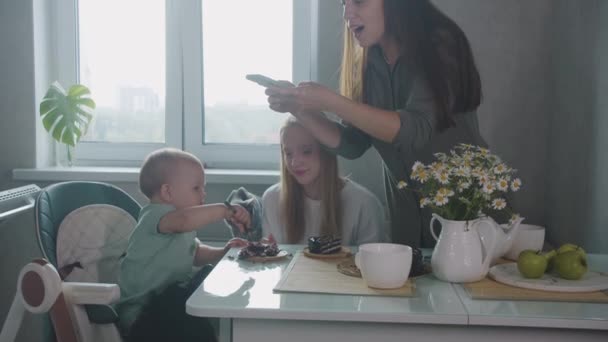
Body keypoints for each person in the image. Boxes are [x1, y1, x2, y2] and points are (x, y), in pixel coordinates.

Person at [265, 0, 486, 248]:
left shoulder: (441, 43)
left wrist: (332, 102)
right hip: (409, 225)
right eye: (343, 3)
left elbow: (416, 129)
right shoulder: (370, 63)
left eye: (359, 1)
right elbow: (353, 144)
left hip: (466, 219)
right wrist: (299, 108)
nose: (347, 13)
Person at [115, 148, 250, 342]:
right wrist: (223, 210)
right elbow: (185, 220)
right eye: (196, 188)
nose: (203, 193)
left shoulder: (179, 225)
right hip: (143, 314)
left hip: (171, 304)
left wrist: (222, 252)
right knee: (191, 310)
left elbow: (194, 252)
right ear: (167, 192)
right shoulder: (155, 216)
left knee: (202, 285)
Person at [261, 116, 390, 245]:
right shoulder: (271, 199)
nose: (294, 162)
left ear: (326, 151)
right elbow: (274, 260)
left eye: (306, 151)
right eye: (288, 153)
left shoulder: (365, 205)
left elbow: (373, 263)